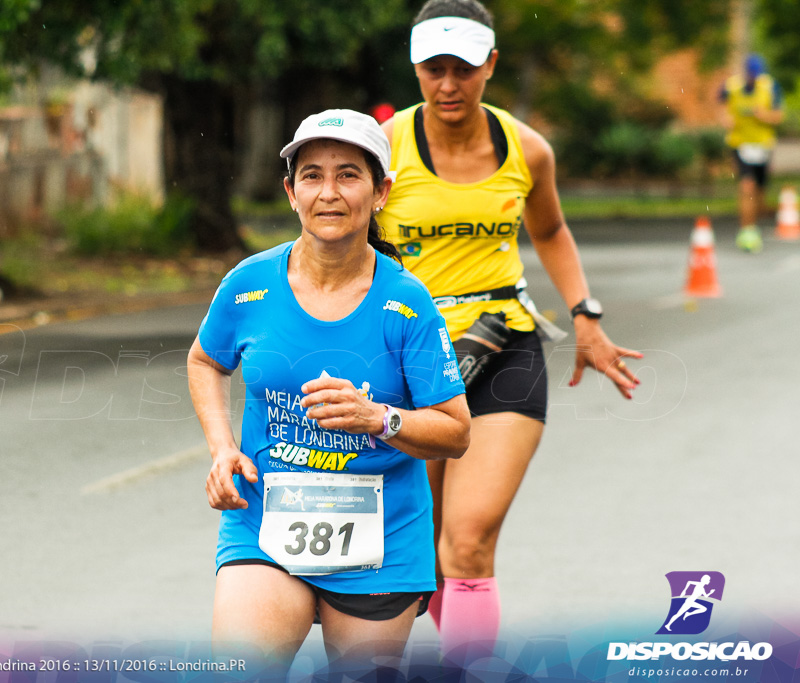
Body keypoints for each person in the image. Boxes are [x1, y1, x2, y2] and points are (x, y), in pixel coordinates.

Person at [377, 0, 642, 658]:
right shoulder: (381, 151)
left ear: (490, 64)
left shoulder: (526, 149)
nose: (448, 85)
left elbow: (548, 229)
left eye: (463, 68)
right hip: (409, 357)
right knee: (424, 550)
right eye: (434, 68)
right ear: (414, 68)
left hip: (503, 346)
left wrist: (585, 314)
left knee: (467, 541)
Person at [187, 108, 471, 678]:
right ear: (291, 193)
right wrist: (222, 449)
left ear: (381, 190)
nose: (329, 193)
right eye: (312, 175)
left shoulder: (407, 303)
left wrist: (379, 418)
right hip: (265, 522)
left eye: (348, 174)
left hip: (381, 540)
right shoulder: (247, 284)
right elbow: (203, 360)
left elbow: (457, 431)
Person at [719, 53, 785, 253]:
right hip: (740, 144)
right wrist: (725, 119)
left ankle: (754, 224)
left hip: (763, 146)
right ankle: (747, 230)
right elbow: (721, 107)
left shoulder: (770, 87)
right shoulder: (731, 86)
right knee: (747, 186)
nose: (754, 79)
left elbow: (778, 116)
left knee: (760, 194)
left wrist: (763, 115)